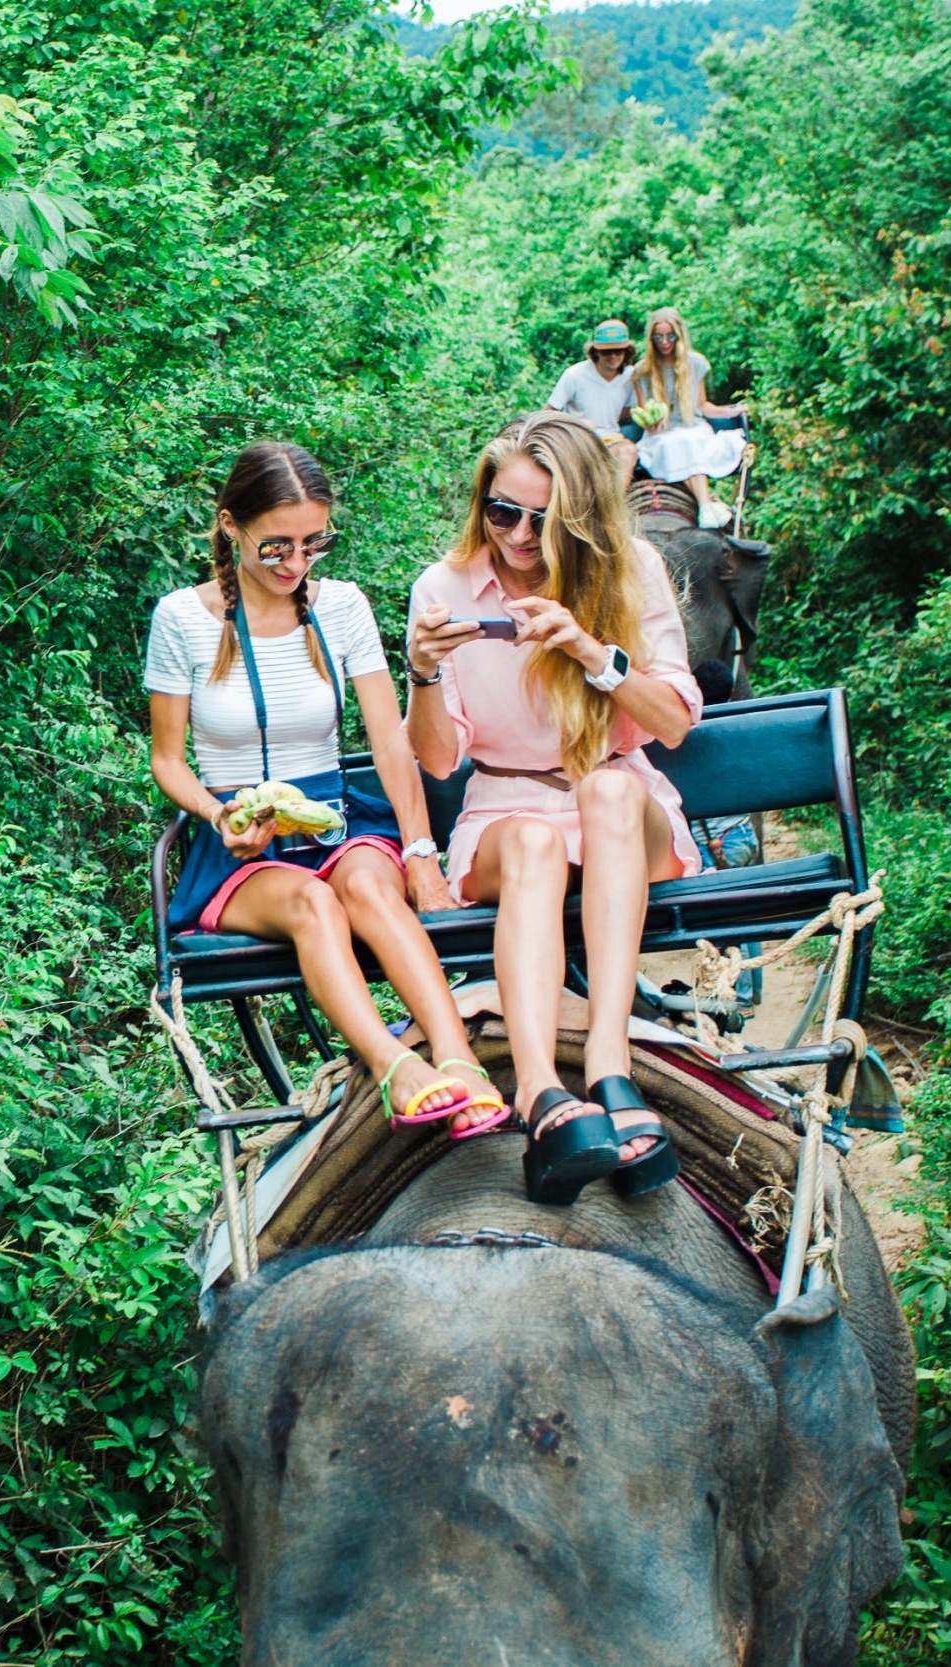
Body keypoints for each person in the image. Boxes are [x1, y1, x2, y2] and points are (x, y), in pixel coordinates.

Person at [148, 441, 503, 1135]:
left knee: (369, 887)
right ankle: (394, 1064)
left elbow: (387, 739)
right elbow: (168, 760)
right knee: (314, 903)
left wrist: (422, 851)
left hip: (335, 817)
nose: (296, 565)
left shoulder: (341, 608)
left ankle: (459, 1056)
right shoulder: (181, 619)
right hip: (242, 841)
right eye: (276, 547)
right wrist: (220, 813)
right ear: (230, 526)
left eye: (314, 544)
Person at [403, 412, 704, 1203]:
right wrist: (424, 674)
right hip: (505, 808)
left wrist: (586, 650)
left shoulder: (628, 568)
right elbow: (438, 760)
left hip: (619, 797)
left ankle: (610, 1062)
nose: (519, 535)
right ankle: (541, 1091)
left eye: (545, 519)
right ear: (483, 503)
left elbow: (671, 722)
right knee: (535, 840)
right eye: (504, 512)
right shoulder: (445, 586)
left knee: (608, 788)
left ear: (582, 518)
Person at [626, 306, 747, 529]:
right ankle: (706, 504)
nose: (664, 342)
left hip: (692, 426)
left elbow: (703, 405)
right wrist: (652, 422)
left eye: (670, 336)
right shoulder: (642, 370)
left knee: (689, 440)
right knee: (676, 442)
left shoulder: (695, 363)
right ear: (651, 338)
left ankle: (704, 506)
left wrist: (730, 412)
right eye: (658, 336)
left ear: (679, 335)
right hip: (661, 433)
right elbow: (645, 412)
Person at [546, 318, 640, 476]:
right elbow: (549, 411)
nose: (613, 356)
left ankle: (617, 498)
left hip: (612, 439)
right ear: (595, 351)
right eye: (606, 351)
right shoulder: (575, 375)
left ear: (626, 352)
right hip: (580, 439)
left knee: (629, 452)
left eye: (618, 351)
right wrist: (574, 424)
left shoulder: (630, 376)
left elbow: (626, 413)